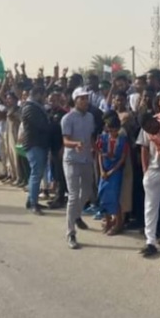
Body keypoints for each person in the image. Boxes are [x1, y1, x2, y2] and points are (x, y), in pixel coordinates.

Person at [62, 87, 96, 249]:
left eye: (86, 98)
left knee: (87, 192)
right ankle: (71, 233)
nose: (85, 101)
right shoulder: (68, 118)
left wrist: (95, 147)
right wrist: (75, 144)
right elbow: (65, 141)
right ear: (75, 100)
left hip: (87, 159)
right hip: (72, 160)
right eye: (81, 98)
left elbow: (91, 137)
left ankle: (76, 215)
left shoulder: (90, 117)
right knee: (73, 196)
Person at [136, 112, 160, 257]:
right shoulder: (145, 130)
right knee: (150, 207)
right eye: (145, 127)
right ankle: (150, 241)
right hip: (153, 169)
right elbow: (143, 148)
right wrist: (145, 170)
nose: (149, 129)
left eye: (149, 125)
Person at [21, 86, 51, 215]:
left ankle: (31, 200)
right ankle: (34, 203)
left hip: (39, 144)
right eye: (44, 95)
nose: (45, 98)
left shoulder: (35, 107)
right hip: (34, 144)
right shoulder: (30, 108)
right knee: (36, 174)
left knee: (36, 173)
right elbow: (41, 126)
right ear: (38, 94)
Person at [97, 116, 129, 235]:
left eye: (113, 130)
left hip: (115, 171)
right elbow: (100, 155)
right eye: (109, 130)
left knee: (115, 197)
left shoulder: (123, 140)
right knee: (103, 195)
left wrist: (112, 171)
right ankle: (108, 220)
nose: (111, 133)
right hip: (104, 169)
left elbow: (122, 158)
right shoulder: (103, 138)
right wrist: (101, 170)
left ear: (118, 129)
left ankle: (118, 223)